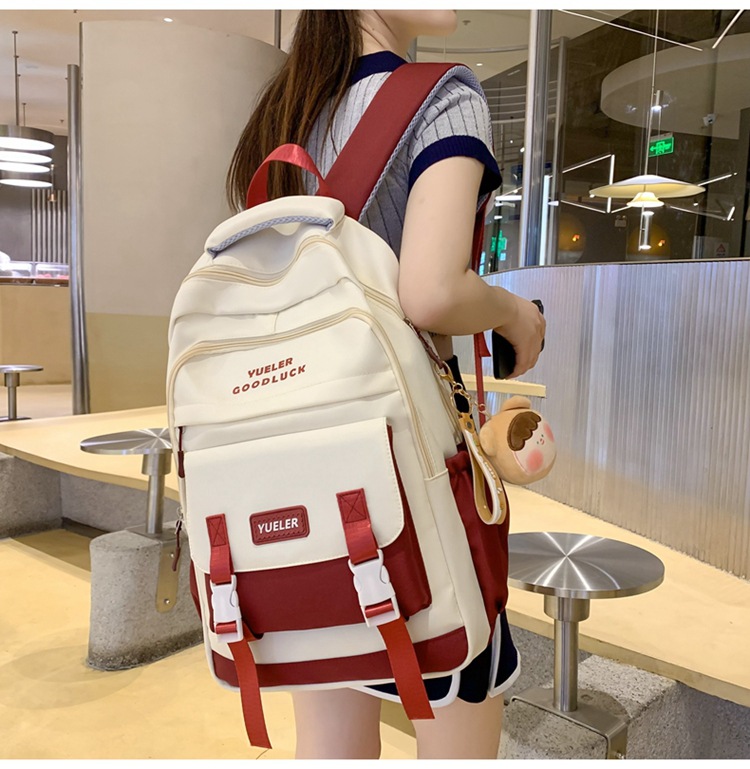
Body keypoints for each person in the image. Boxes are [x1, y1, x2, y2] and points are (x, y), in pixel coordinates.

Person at [226, 10, 546, 760]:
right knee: (457, 721)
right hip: (410, 475)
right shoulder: (444, 96)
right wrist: (517, 315)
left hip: (295, 475)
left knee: (330, 739)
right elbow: (430, 291)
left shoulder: (286, 111)